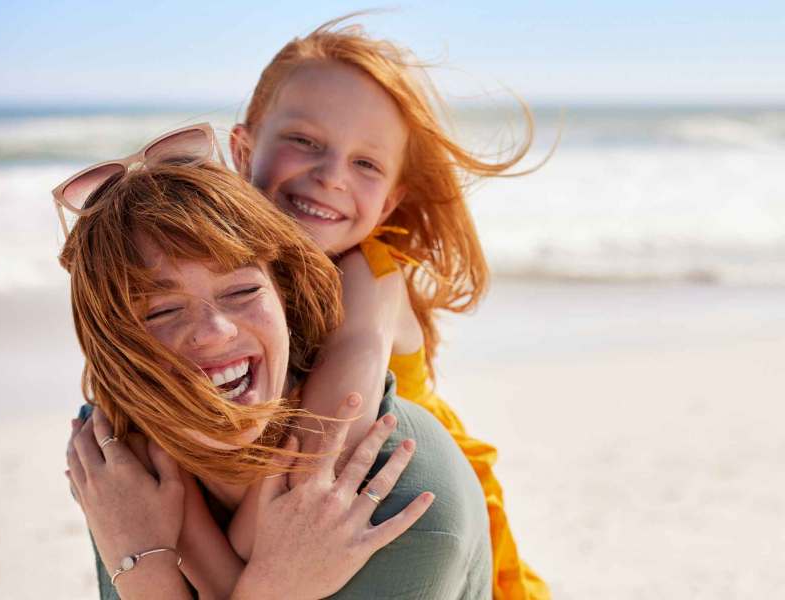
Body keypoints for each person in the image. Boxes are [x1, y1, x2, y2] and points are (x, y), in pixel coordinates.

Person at [57, 139, 493, 598]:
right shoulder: (118, 474)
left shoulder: (402, 507)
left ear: (284, 296)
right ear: (112, 347)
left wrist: (143, 570)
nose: (215, 331)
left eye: (242, 291)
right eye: (161, 311)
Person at [229, 17, 551, 600]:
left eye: (366, 164)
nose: (331, 176)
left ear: (389, 202)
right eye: (305, 141)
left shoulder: (371, 279)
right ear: (242, 148)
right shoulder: (219, 276)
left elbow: (318, 460)